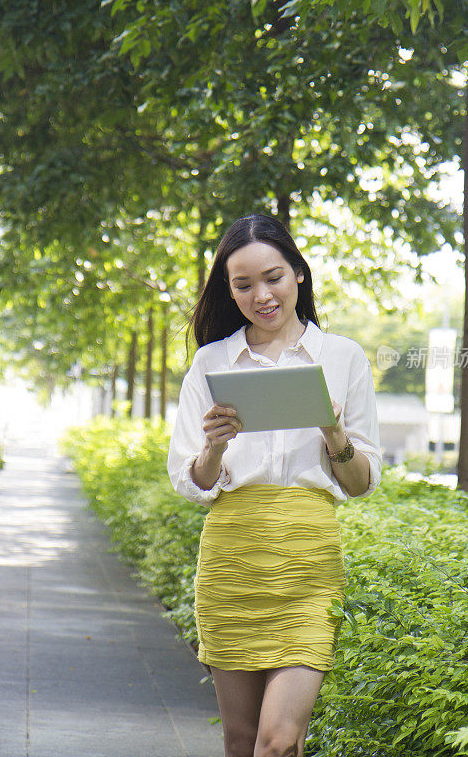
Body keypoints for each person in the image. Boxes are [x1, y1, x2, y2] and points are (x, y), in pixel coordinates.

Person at [167, 213, 382, 757]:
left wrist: (334, 432)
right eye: (243, 285)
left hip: (310, 561)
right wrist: (214, 445)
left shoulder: (343, 357)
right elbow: (190, 481)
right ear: (229, 290)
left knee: (280, 742)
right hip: (232, 555)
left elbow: (360, 484)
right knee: (241, 740)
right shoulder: (212, 362)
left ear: (299, 275)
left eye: (274, 277)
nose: (261, 295)